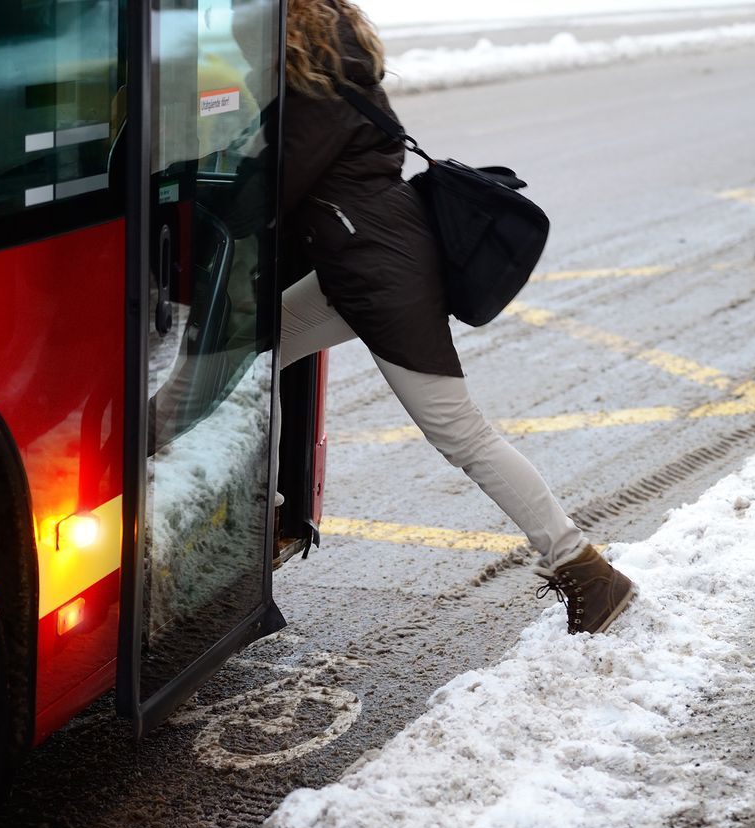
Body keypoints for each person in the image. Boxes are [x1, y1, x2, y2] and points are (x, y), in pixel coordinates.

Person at [268, 0, 635, 634]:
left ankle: (585, 570)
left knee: (462, 434)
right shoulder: (341, 69)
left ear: (288, 31)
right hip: (369, 256)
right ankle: (266, 521)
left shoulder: (313, 95)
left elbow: (272, 187)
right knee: (249, 357)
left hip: (378, 274)